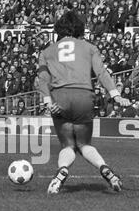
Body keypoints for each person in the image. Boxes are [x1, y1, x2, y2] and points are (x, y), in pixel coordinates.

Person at [37, 11, 131, 195]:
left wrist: (48, 102)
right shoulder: (89, 47)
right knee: (84, 144)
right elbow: (101, 73)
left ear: (58, 30)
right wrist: (115, 95)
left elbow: (42, 79)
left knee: (67, 145)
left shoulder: (47, 52)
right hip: (84, 96)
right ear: (79, 29)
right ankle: (106, 170)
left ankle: (61, 172)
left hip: (60, 97)